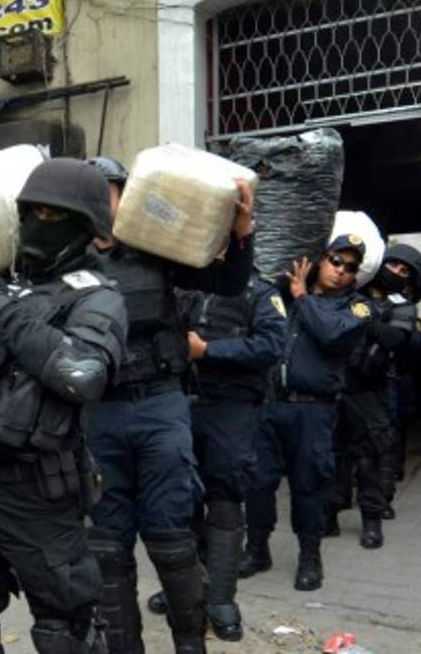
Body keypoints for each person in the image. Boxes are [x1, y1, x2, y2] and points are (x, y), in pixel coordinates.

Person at [0, 157, 127, 654]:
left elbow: (80, 375)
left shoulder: (98, 298)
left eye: (53, 216)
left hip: (38, 496)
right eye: (30, 211)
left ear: (87, 228)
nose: (37, 223)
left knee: (65, 636)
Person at [84, 155, 254, 654]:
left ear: (125, 195)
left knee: (170, 534)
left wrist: (242, 232)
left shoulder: (155, 248)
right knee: (108, 545)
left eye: (109, 190)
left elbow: (228, 282)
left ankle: (189, 644)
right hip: (99, 415)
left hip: (160, 404)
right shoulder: (65, 263)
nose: (101, 202)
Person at [146, 274, 285, 642]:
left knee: (224, 497)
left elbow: (272, 345)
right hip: (180, 403)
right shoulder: (182, 286)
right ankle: (185, 590)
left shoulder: (259, 292)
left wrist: (208, 351)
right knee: (181, 499)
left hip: (232, 407)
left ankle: (221, 598)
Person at [241, 235, 374, 592]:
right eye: (335, 260)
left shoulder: (358, 308)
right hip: (269, 404)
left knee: (308, 485)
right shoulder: (282, 294)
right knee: (257, 481)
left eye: (350, 267)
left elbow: (332, 336)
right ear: (321, 259)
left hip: (313, 411)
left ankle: (309, 558)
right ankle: (256, 549)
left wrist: (301, 296)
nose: (340, 271)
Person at [324, 243, 421, 550]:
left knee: (369, 458)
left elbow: (395, 337)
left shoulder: (401, 306)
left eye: (403, 271)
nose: (395, 272)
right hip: (333, 385)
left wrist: (366, 317)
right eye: (392, 264)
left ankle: (372, 520)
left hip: (370, 389)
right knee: (329, 456)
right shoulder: (346, 292)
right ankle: (329, 515)